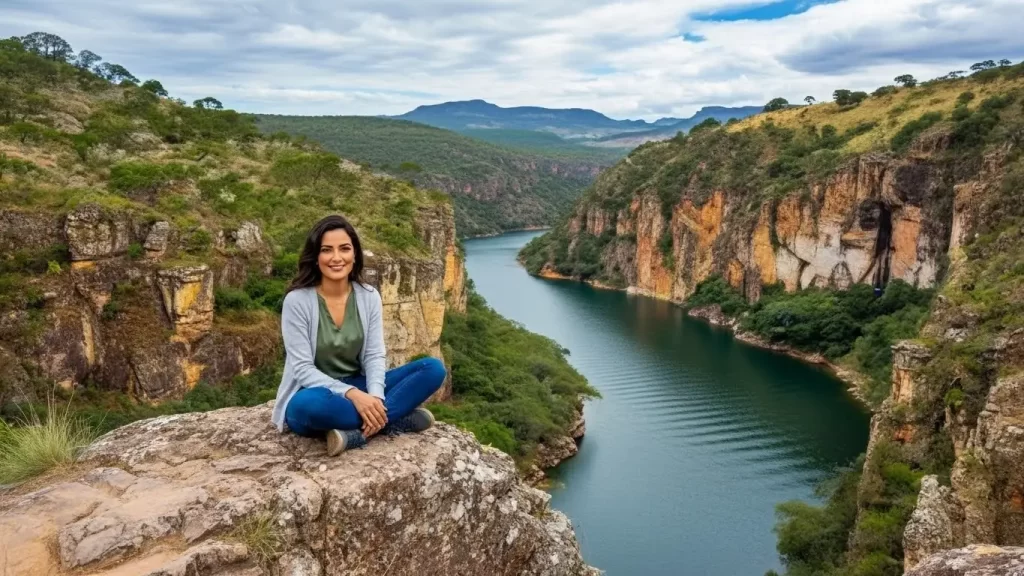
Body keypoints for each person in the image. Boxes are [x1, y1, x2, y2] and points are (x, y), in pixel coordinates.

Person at [271, 214, 447, 455]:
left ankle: (357, 433)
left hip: (359, 384)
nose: (336, 258)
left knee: (433, 369)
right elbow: (302, 369)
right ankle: (391, 420)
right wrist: (352, 395)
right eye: (326, 250)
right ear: (316, 257)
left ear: (354, 255)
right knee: (309, 407)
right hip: (315, 392)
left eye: (344, 249)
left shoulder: (368, 296)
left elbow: (374, 355)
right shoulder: (297, 301)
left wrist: (373, 396)